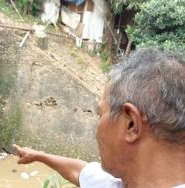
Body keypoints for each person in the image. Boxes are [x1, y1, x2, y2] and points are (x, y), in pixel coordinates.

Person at [13, 48, 185, 188]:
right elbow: (78, 171)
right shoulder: (122, 182)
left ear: (131, 124)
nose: (96, 128)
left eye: (100, 114)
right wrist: (39, 156)